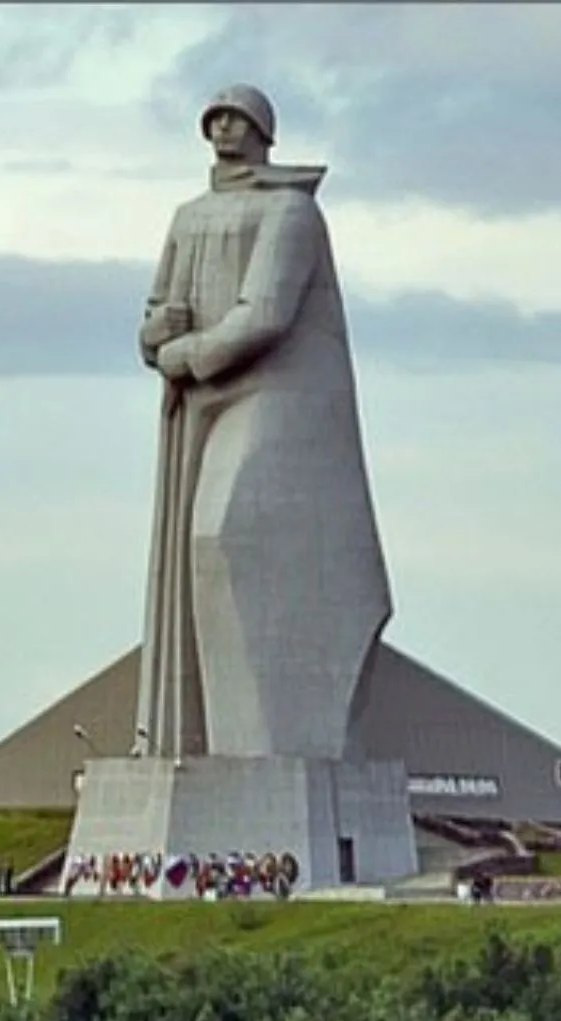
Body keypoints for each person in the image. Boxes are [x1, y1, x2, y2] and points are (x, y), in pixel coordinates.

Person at [134, 84, 391, 764]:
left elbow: (267, 312)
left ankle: (268, 747)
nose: (224, 128)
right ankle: (217, 747)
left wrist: (185, 354)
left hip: (277, 391)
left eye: (237, 118)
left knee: (224, 535)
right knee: (199, 550)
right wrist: (156, 334)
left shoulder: (293, 213)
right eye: (214, 118)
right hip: (202, 397)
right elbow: (157, 308)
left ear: (264, 130)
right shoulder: (189, 216)